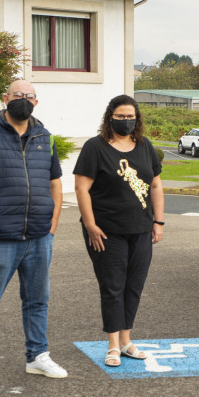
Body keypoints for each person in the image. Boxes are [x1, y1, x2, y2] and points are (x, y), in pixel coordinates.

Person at [0, 80, 66, 386]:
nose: (23, 100)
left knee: (37, 300)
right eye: (18, 95)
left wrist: (53, 221)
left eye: (29, 96)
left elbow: (55, 182)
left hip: (39, 236)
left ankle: (37, 356)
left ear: (37, 101)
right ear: (5, 98)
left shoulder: (44, 136)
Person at [74, 95, 164, 367]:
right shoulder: (95, 147)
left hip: (141, 230)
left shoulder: (145, 146)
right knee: (113, 287)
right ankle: (113, 344)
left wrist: (158, 222)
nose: (126, 121)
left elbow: (156, 186)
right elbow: (82, 189)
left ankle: (126, 341)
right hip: (105, 231)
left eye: (130, 116)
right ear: (110, 117)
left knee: (133, 286)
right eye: (121, 116)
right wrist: (90, 225)